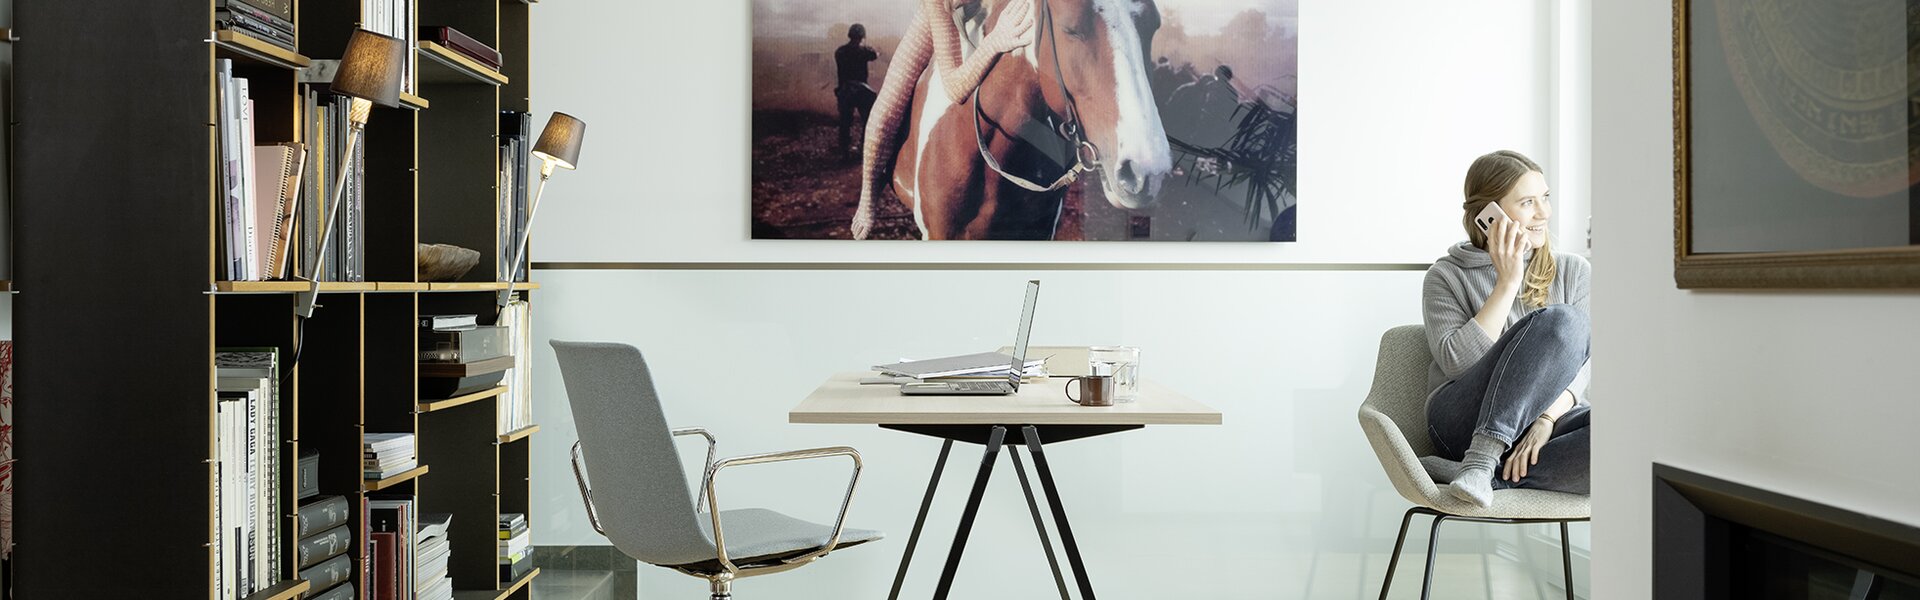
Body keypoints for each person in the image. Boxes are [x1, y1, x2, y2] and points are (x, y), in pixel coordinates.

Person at [1420, 150, 1591, 507]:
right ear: (1488, 217)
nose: (1544, 213)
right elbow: (1457, 364)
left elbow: (1591, 361)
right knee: (1563, 322)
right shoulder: (1446, 276)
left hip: (1542, 422)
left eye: (1545, 198)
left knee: (1630, 433)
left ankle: (1483, 475)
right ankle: (1479, 459)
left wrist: (1546, 418)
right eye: (1528, 202)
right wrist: (1508, 282)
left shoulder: (1573, 271)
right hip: (1460, 422)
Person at [849, 0, 1036, 239]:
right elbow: (955, 88)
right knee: (884, 112)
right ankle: (867, 200)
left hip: (989, 13)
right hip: (943, 19)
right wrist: (996, 41)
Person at [835, 24, 880, 158]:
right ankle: (863, 147)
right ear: (862, 37)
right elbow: (874, 55)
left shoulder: (840, 51)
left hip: (845, 89)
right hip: (861, 89)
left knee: (845, 122)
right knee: (868, 119)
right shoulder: (864, 51)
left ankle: (844, 151)